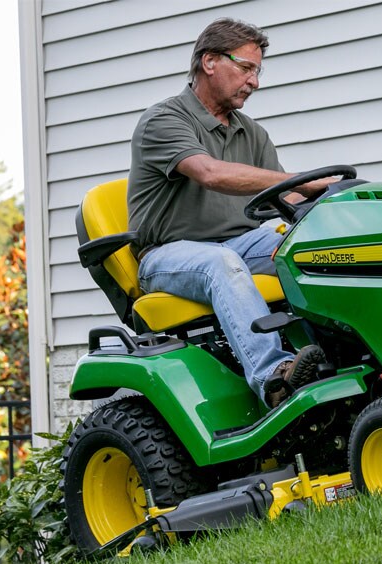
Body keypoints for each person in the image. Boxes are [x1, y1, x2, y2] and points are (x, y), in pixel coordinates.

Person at [127, 18, 331, 408]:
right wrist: (301, 181)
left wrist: (325, 206)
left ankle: (342, 357)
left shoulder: (252, 133)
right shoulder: (163, 120)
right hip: (168, 255)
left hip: (241, 242)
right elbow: (209, 173)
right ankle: (275, 377)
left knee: (307, 246)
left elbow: (282, 199)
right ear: (209, 62)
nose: (254, 82)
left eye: (258, 71)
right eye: (246, 68)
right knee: (221, 262)